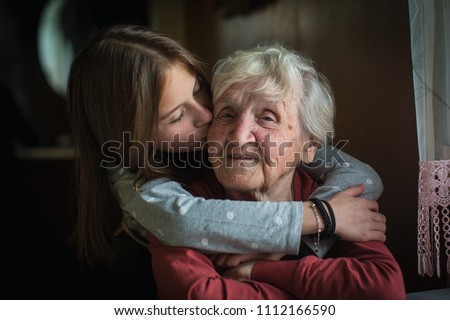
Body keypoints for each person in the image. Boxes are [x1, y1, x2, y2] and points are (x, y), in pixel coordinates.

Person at [66, 25, 386, 293]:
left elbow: (360, 175)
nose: (207, 115)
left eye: (198, 90)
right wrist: (319, 219)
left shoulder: (280, 153)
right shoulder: (144, 185)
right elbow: (184, 224)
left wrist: (314, 229)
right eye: (178, 116)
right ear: (136, 136)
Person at [147, 43, 406, 299]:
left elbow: (383, 290)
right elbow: (202, 302)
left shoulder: (336, 199)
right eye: (227, 114)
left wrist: (259, 270)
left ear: (309, 146)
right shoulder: (184, 209)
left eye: (267, 117)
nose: (238, 136)